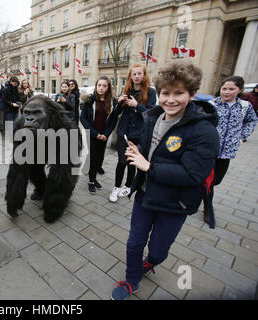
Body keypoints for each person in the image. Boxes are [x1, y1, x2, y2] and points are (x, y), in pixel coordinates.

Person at [111, 61, 219, 300]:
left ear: (191, 93)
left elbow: (194, 174)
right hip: (146, 195)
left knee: (159, 250)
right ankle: (132, 280)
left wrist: (148, 165)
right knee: (133, 243)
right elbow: (151, 148)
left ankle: (151, 263)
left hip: (175, 204)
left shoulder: (204, 130)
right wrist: (138, 150)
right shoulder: (154, 116)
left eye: (179, 93)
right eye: (165, 93)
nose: (170, 100)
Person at [203, 76, 257, 224]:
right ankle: (208, 207)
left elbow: (252, 120)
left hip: (227, 151)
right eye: (224, 88)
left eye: (231, 89)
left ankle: (201, 193)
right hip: (208, 149)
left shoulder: (245, 106)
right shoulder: (212, 104)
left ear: (239, 90)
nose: (226, 92)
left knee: (216, 180)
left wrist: (242, 136)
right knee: (208, 179)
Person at [108, 64, 157, 203]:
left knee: (132, 162)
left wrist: (137, 106)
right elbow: (116, 113)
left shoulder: (150, 92)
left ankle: (128, 185)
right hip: (124, 131)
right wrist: (118, 103)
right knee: (122, 161)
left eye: (139, 74)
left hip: (139, 133)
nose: (136, 77)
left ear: (144, 75)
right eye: (134, 74)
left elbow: (151, 114)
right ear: (130, 76)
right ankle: (116, 187)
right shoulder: (126, 90)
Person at [80, 76, 117, 194]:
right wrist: (95, 133)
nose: (101, 88)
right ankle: (91, 181)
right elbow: (83, 118)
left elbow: (113, 120)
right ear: (96, 86)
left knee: (99, 158)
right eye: (99, 85)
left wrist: (106, 134)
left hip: (104, 136)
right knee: (93, 158)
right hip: (92, 134)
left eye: (104, 86)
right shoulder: (90, 100)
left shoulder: (112, 102)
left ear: (108, 87)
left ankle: (94, 178)